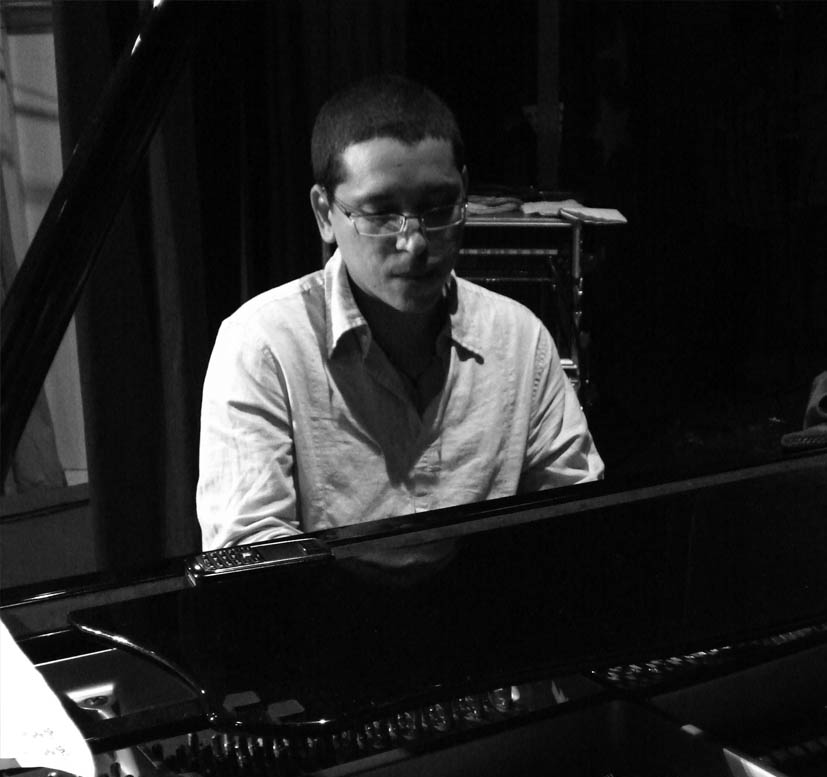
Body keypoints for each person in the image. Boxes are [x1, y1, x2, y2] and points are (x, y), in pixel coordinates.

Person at [197, 75, 603, 551]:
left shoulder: (520, 339)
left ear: (464, 191)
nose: (415, 243)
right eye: (381, 213)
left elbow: (575, 521)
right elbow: (253, 555)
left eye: (439, 207)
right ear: (325, 213)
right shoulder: (263, 345)